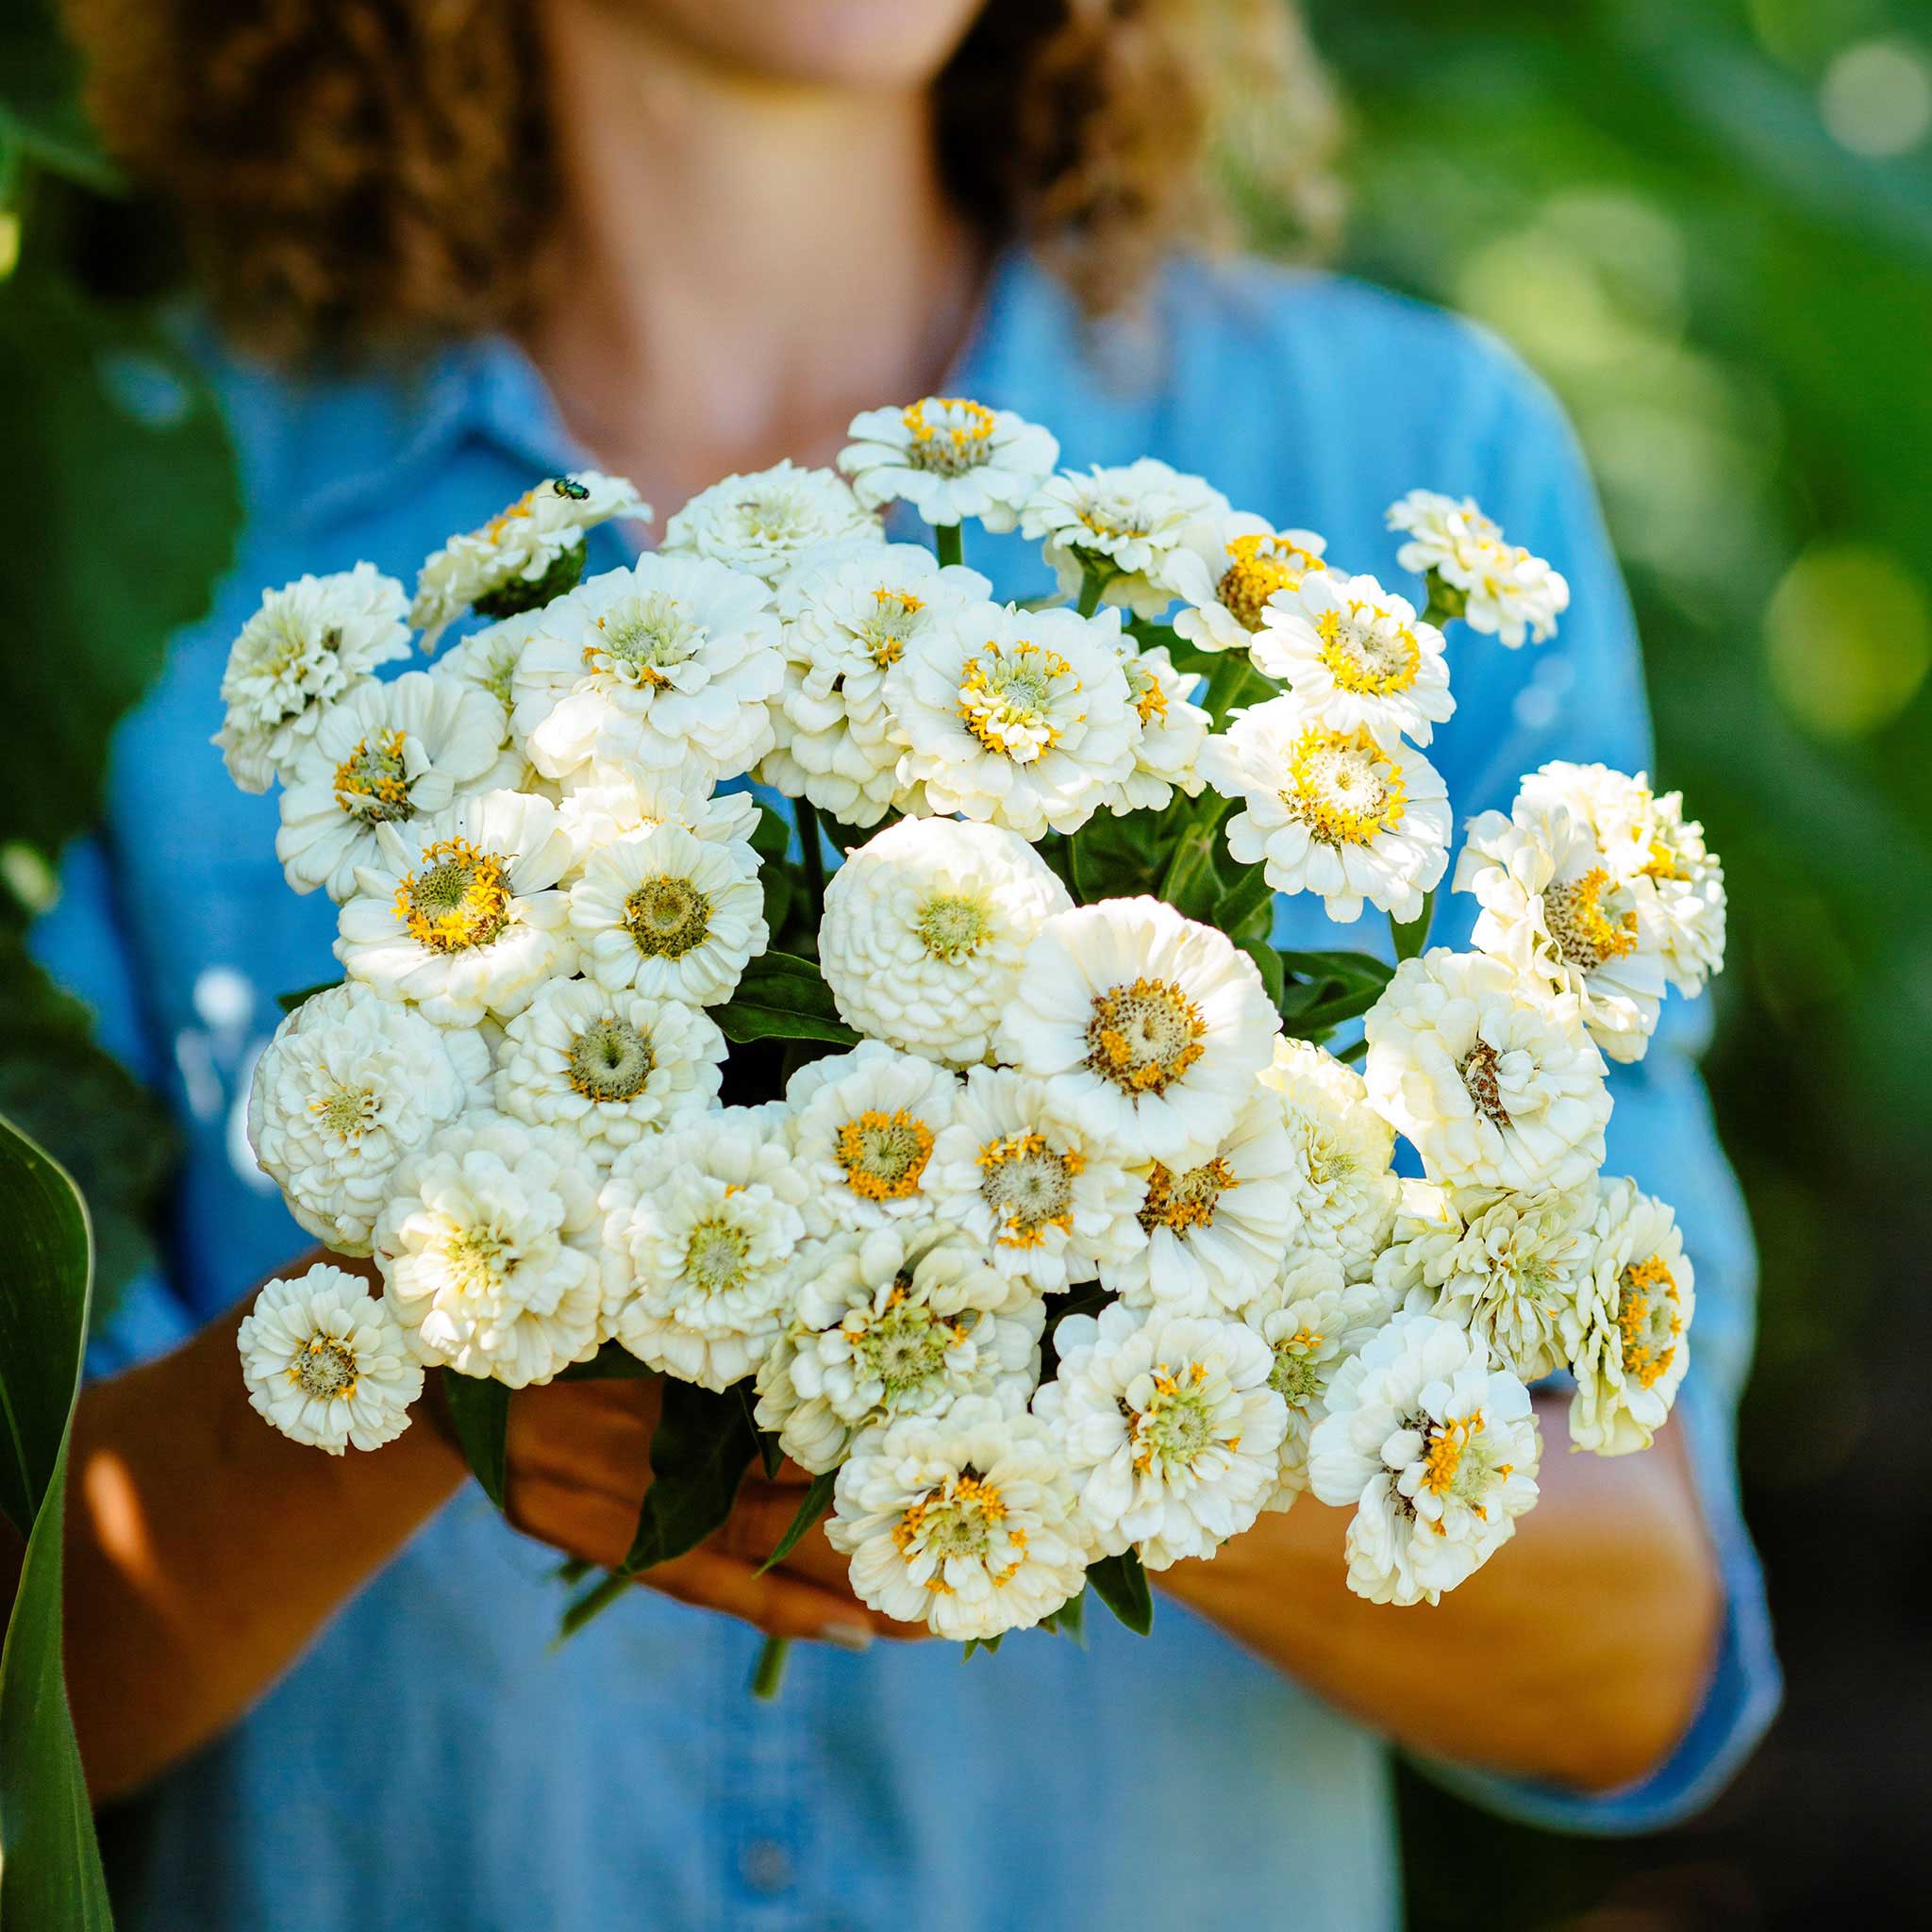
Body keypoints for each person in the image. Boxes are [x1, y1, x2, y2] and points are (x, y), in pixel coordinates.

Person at [22, 1, 1778, 1925]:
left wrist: (1096, 1411)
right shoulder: (129, 516)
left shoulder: (1393, 460)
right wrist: (441, 1353)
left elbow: (1632, 1657)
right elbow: (29, 1706)